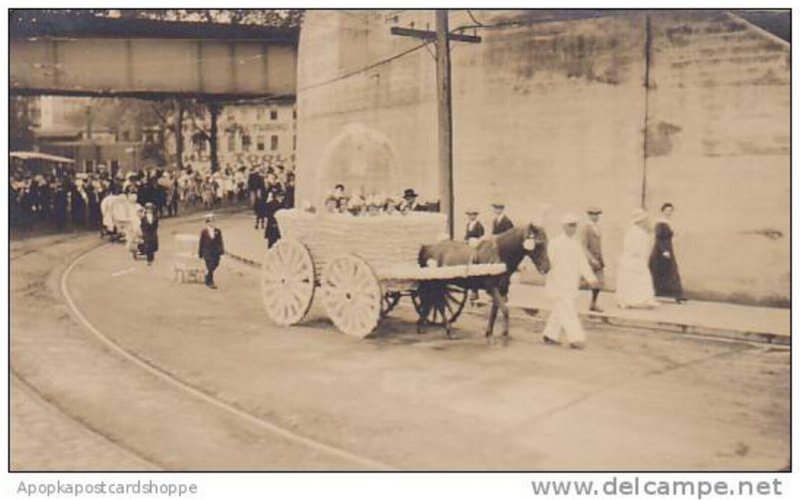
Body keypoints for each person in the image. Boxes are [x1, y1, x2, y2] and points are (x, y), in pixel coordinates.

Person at [542, 214, 599, 349]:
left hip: (571, 283)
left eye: (574, 226)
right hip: (558, 282)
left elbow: (582, 263)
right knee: (568, 311)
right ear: (563, 226)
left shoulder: (576, 244)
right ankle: (576, 338)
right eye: (570, 226)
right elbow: (547, 263)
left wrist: (591, 278)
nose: (572, 229)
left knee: (560, 310)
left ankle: (550, 334)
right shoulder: (555, 243)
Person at [616, 208, 659, 309]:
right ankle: (625, 300)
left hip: (639, 260)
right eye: (644, 220)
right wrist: (637, 254)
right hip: (632, 260)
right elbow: (631, 247)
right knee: (630, 280)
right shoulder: (633, 232)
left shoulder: (641, 232)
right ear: (640, 221)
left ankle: (645, 300)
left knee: (642, 279)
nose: (646, 222)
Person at [649, 202, 686, 303]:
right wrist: (664, 250)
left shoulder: (668, 222)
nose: (669, 213)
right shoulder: (660, 222)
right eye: (667, 210)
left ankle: (677, 295)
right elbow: (659, 238)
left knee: (670, 272)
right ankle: (651, 292)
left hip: (668, 248)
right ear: (662, 211)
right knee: (660, 272)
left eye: (670, 211)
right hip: (660, 250)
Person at [581, 206, 605, 312]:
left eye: (597, 214)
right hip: (589, 260)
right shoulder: (586, 228)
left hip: (598, 258)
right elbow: (583, 246)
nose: (595, 216)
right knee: (583, 282)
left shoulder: (598, 227)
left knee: (599, 282)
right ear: (589, 215)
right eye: (593, 214)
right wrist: (591, 259)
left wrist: (599, 258)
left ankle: (593, 303)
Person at [198, 214, 225, 289]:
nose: (212, 223)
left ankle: (207, 277)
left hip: (215, 251)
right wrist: (200, 253)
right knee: (210, 265)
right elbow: (201, 242)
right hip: (207, 251)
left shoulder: (218, 231)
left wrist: (221, 250)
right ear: (207, 223)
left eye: (213, 222)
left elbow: (220, 241)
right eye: (210, 222)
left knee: (216, 263)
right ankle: (210, 282)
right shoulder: (204, 232)